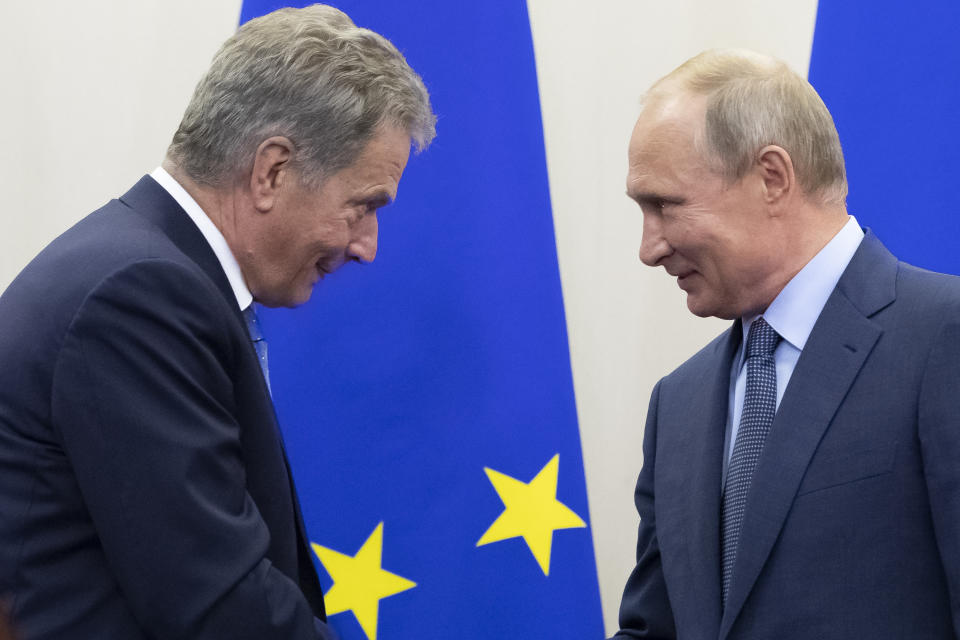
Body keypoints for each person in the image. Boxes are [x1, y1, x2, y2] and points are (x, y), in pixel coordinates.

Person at [0, 5, 435, 639]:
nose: (368, 244)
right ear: (272, 170)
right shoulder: (140, 295)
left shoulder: (140, 267)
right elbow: (217, 603)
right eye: (364, 205)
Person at [613, 49, 960, 639]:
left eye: (665, 205)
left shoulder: (942, 338)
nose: (649, 247)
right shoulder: (678, 403)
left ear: (772, 177)